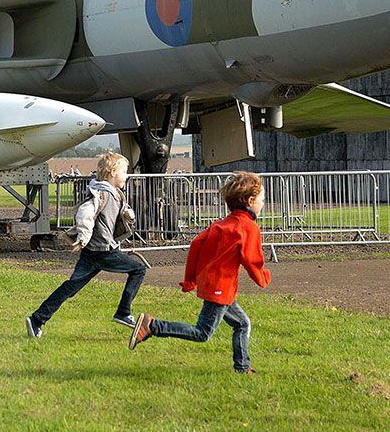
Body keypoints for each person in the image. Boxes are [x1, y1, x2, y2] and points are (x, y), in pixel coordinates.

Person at [129, 171, 269, 374]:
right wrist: (263, 278)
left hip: (215, 285)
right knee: (203, 332)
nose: (263, 203)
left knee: (242, 323)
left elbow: (196, 245)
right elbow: (252, 260)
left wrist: (190, 280)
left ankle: (243, 368)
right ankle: (152, 326)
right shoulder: (248, 227)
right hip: (220, 288)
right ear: (250, 201)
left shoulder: (221, 224)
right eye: (262, 199)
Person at [25, 151, 143, 337]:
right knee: (138, 270)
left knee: (71, 286)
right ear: (112, 172)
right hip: (102, 251)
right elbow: (85, 214)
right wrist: (82, 238)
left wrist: (128, 214)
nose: (126, 176)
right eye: (124, 172)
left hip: (92, 253)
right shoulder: (100, 193)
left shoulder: (116, 194)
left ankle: (36, 319)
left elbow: (118, 210)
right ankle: (123, 313)